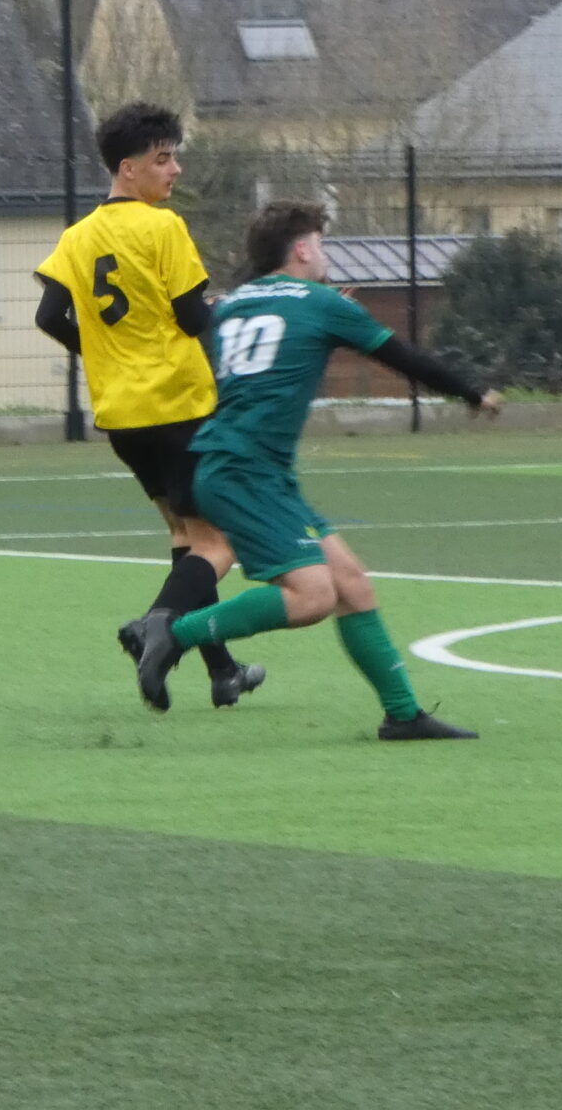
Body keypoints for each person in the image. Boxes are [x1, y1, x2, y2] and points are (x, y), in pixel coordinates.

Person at [121, 200, 504, 740]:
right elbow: (402, 357)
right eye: (320, 243)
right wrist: (473, 393)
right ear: (301, 249)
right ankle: (171, 633)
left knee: (350, 583)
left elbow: (261, 335)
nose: (325, 254)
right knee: (313, 597)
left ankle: (403, 715)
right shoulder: (322, 304)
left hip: (238, 467)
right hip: (246, 473)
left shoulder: (234, 304)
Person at [33, 102, 264, 708]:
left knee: (185, 536)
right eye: (163, 159)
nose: (175, 170)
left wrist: (103, 352)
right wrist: (231, 308)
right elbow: (191, 318)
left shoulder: (77, 237)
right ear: (128, 169)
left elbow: (48, 316)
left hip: (122, 417)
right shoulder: (163, 228)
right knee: (219, 544)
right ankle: (156, 626)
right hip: (178, 405)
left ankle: (223, 671)